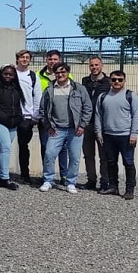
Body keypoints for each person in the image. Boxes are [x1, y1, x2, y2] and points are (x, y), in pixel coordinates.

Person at [37, 63, 92, 194]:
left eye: (63, 72)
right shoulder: (49, 89)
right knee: (49, 154)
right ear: (54, 74)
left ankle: (71, 182)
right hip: (56, 129)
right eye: (57, 72)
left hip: (75, 129)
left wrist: (82, 125)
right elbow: (42, 109)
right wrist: (48, 126)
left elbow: (87, 108)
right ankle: (48, 180)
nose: (60, 75)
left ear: (68, 72)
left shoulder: (79, 88)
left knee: (74, 157)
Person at [96, 70, 138, 200]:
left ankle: (129, 189)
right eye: (114, 79)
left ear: (124, 81)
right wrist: (99, 132)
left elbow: (137, 115)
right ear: (110, 81)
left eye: (120, 80)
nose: (117, 82)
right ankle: (113, 186)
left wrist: (134, 134)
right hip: (108, 135)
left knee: (128, 162)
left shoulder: (131, 96)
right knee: (110, 162)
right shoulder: (103, 97)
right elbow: (98, 115)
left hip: (126, 136)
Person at [0, 65, 24, 190]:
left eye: (10, 74)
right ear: (1, 74)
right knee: (6, 147)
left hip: (12, 123)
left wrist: (20, 117)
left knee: (1, 148)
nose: (8, 76)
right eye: (5, 74)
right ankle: (5, 178)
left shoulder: (16, 88)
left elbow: (20, 104)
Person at [37, 50, 70, 184]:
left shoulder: (68, 75)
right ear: (46, 60)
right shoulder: (38, 75)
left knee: (63, 148)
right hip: (46, 119)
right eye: (50, 59)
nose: (52, 62)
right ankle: (47, 177)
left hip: (62, 120)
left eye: (55, 59)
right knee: (46, 148)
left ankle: (64, 176)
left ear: (59, 59)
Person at [80, 55, 111, 191]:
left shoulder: (109, 82)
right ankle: (91, 180)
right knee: (88, 154)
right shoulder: (85, 81)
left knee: (103, 155)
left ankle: (105, 182)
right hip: (87, 123)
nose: (94, 67)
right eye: (92, 65)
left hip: (102, 124)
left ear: (102, 66)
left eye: (96, 65)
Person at [13, 49, 42, 184]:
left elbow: (38, 96)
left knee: (23, 146)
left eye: (27, 57)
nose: (24, 59)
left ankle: (25, 174)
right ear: (17, 59)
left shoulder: (33, 76)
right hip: (12, 115)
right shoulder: (11, 73)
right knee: (5, 145)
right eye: (22, 57)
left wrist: (35, 116)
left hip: (26, 117)